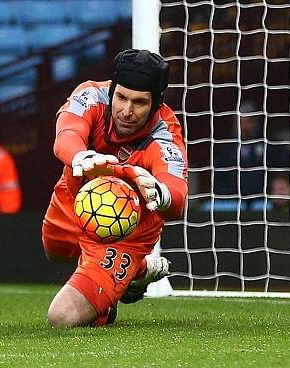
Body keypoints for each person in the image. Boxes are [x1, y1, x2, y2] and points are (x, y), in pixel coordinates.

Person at [42, 49, 188, 327]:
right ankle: (138, 272)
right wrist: (80, 156)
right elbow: (66, 135)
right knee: (56, 252)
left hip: (129, 228)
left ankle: (113, 291)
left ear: (156, 104)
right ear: (112, 91)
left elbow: (178, 196)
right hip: (75, 194)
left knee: (61, 318)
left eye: (139, 103)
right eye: (121, 97)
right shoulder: (90, 96)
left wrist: (160, 192)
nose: (127, 111)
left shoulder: (164, 135)